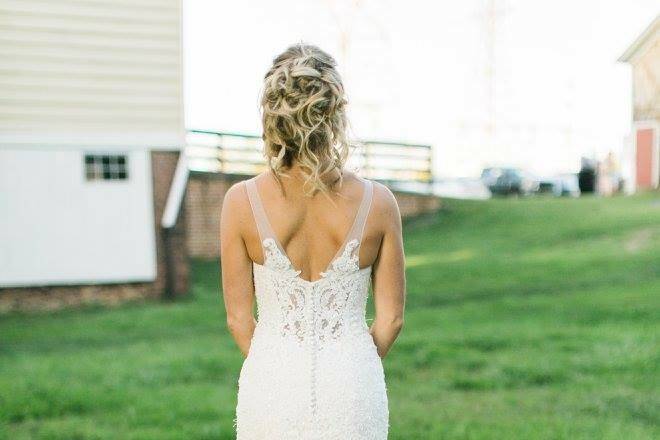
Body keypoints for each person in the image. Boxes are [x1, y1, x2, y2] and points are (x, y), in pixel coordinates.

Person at [220, 43, 406, 439]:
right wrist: (351, 361)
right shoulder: (379, 203)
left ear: (272, 117)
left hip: (270, 384)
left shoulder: (239, 203)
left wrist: (278, 364)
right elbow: (390, 320)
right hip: (354, 386)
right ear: (334, 114)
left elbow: (239, 319)